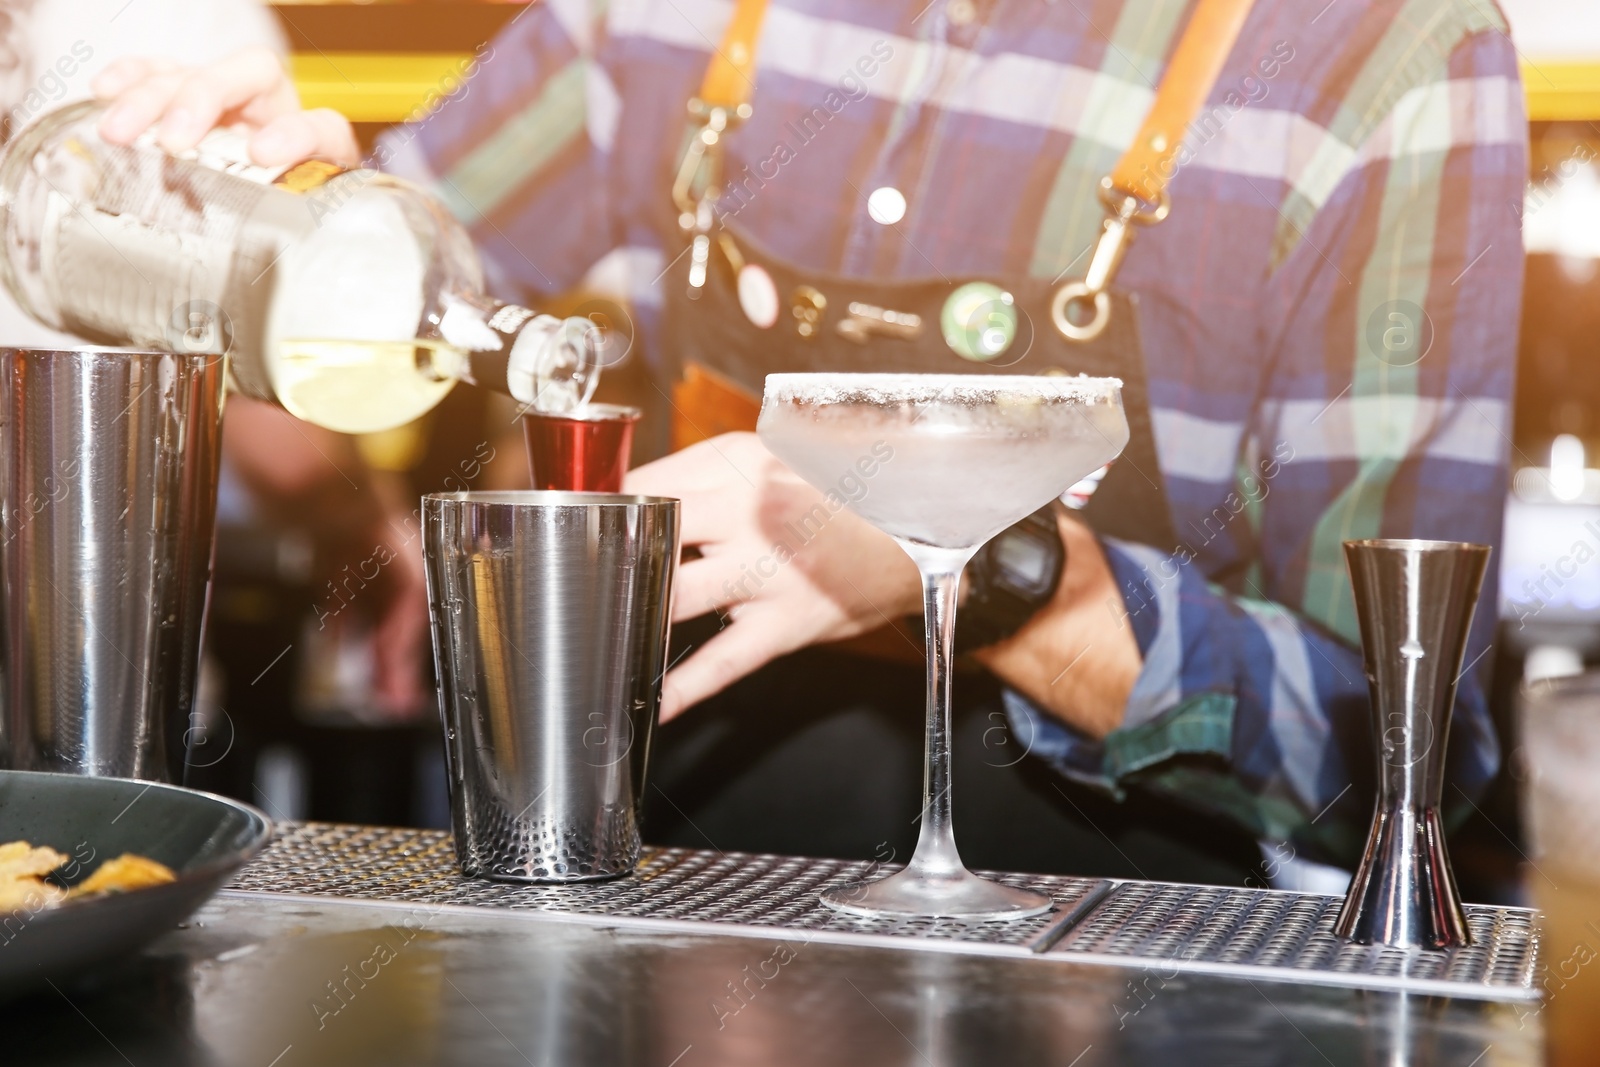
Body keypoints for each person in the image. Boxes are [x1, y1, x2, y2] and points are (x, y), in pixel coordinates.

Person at [93, 0, 1527, 881]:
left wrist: (984, 555)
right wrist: (272, 217)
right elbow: (395, 303)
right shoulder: (651, 19)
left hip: (1110, 964)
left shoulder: (1383, 59)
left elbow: (1395, 760)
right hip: (669, 909)